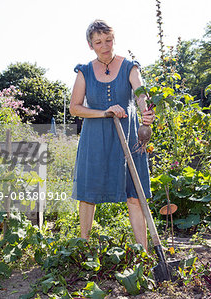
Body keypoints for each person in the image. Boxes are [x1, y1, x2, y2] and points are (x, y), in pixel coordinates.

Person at [69, 19, 155, 251]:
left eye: (108, 40)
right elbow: (75, 108)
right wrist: (104, 112)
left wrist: (145, 109)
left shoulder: (129, 67)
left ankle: (144, 253)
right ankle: (83, 247)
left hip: (127, 136)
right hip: (95, 138)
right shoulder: (84, 71)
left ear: (114, 39)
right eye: (98, 42)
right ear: (91, 45)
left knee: (134, 193)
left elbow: (139, 91)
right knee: (88, 193)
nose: (105, 46)